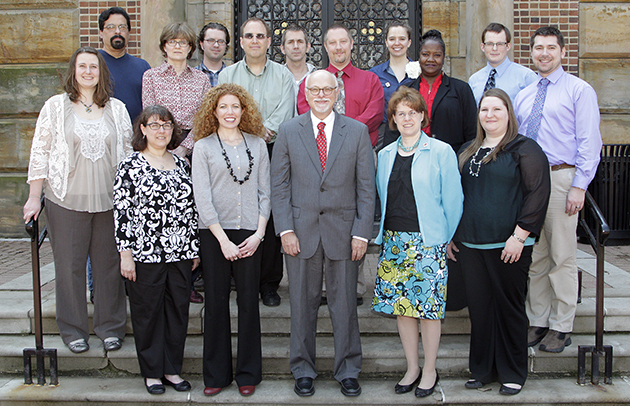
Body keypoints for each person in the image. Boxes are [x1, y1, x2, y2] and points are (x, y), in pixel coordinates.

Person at [271, 70, 376, 398]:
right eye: (314, 89)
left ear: (336, 93)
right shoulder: (289, 131)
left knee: (344, 305)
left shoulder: (357, 132)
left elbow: (366, 188)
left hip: (344, 234)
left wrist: (362, 232)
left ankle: (348, 369)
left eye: (326, 89)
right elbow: (279, 185)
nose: (320, 94)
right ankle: (302, 368)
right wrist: (285, 228)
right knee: (302, 304)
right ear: (305, 93)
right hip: (300, 233)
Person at [23, 47, 131, 354]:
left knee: (108, 265)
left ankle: (110, 326)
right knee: (69, 266)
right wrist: (34, 197)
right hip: (64, 199)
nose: (88, 72)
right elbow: (40, 152)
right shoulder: (55, 107)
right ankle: (73, 330)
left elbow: (127, 155)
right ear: (74, 71)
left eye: (93, 67)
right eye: (82, 66)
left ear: (101, 73)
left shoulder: (117, 108)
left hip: (109, 202)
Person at [448, 88, 550, 395]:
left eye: (497, 109)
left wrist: (520, 236)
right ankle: (482, 370)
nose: (490, 115)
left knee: (509, 308)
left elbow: (537, 195)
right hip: (470, 245)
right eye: (484, 110)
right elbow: (455, 196)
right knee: (480, 310)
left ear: (509, 114)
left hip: (509, 246)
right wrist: (453, 235)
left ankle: (512, 372)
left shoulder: (524, 148)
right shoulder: (467, 149)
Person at [514, 26, 602, 353]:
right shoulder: (525, 94)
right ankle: (538, 319)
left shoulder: (579, 90)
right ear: (532, 52)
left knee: (563, 256)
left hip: (562, 179)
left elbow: (589, 143)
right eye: (539, 48)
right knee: (536, 255)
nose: (544, 53)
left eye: (551, 47)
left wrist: (580, 186)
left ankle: (562, 325)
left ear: (562, 52)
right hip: (530, 183)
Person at [373, 86, 463, 398]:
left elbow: (454, 200)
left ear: (422, 116)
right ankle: (412, 367)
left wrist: (449, 238)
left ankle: (430, 369)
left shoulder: (441, 151)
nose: (407, 118)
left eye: (413, 112)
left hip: (429, 242)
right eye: (401, 113)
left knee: (429, 310)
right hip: (394, 241)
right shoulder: (384, 155)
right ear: (393, 119)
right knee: (403, 308)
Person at [384, 29, 476, 312]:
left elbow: (472, 134)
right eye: (426, 54)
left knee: (450, 227)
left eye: (437, 55)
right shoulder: (408, 88)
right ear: (418, 56)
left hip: (450, 168)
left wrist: (457, 162)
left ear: (444, 58)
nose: (431, 59)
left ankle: (453, 295)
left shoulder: (460, 90)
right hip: (414, 170)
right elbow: (395, 126)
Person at [113, 105, 199, 395]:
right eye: (155, 125)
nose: (161, 130)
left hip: (180, 253)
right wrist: (126, 255)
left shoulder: (181, 164)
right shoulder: (130, 165)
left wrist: (194, 248)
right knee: (147, 312)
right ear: (143, 129)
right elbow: (122, 214)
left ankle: (172, 369)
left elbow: (191, 211)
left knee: (177, 311)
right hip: (144, 254)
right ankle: (152, 372)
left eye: (166, 125)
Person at [192, 83, 270, 397]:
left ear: (243, 110)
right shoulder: (203, 147)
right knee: (215, 303)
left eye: (235, 107)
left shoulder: (258, 145)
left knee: (249, 303)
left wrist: (260, 234)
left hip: (251, 233)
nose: (229, 112)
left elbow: (266, 192)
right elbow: (202, 196)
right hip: (214, 235)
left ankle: (248, 373)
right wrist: (222, 240)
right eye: (223, 107)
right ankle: (216, 375)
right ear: (214, 111)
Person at [219, 17, 295, 307]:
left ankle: (269, 284)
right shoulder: (228, 74)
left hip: (273, 150)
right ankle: (240, 278)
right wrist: (249, 133)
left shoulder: (283, 75)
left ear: (268, 41)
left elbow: (284, 110)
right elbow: (223, 109)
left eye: (260, 36)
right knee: (240, 211)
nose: (254, 40)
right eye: (248, 36)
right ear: (240, 41)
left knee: (270, 214)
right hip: (235, 150)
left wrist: (262, 131)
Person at [297, 23, 384, 148]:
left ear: (351, 44)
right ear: (326, 47)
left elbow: (375, 115)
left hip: (360, 150)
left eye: (343, 41)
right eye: (332, 43)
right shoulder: (311, 82)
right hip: (321, 152)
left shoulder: (371, 80)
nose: (338, 47)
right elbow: (305, 113)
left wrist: (345, 132)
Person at [142, 22, 211, 158]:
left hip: (195, 146)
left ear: (190, 47)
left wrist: (185, 148)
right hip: (160, 142)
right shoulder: (150, 76)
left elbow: (205, 117)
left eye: (183, 42)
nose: (177, 46)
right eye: (172, 42)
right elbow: (150, 115)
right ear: (164, 46)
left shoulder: (202, 79)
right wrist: (164, 146)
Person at [98, 6, 151, 123]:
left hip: (135, 136)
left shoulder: (142, 67)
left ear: (128, 33)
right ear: (101, 33)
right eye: (111, 27)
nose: (117, 31)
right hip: (103, 135)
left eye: (122, 27)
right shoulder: (92, 64)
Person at [468, 23, 537, 105]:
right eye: (490, 44)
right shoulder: (474, 80)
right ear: (483, 47)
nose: (494, 48)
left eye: (500, 44)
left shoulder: (526, 77)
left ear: (508, 46)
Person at [369, 21, 414, 148]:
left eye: (402, 39)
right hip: (384, 135)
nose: (397, 43)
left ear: (409, 42)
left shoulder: (420, 71)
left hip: (412, 131)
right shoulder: (374, 74)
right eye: (392, 39)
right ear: (386, 42)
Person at [280, 24, 317, 102]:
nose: (296, 46)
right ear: (282, 48)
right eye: (290, 42)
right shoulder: (276, 78)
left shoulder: (318, 77)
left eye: (300, 42)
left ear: (308, 47)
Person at [196, 22, 229, 86]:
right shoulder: (190, 77)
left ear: (226, 46)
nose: (216, 45)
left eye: (221, 41)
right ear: (202, 44)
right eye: (211, 40)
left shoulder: (233, 76)